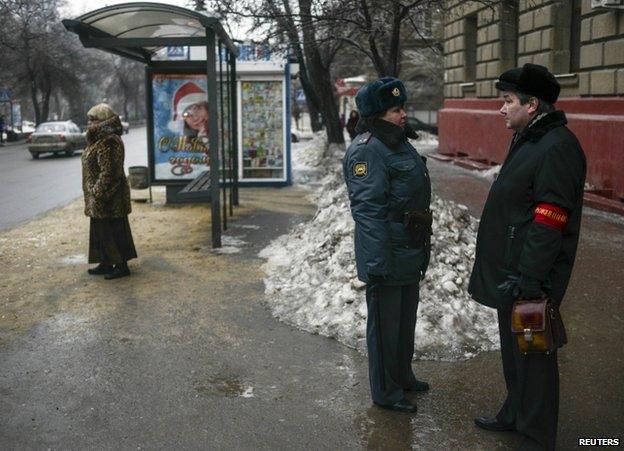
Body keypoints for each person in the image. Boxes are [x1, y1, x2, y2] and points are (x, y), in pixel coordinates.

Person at [468, 64, 586, 450]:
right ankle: (515, 413)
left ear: (532, 104)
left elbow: (550, 219)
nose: (501, 109)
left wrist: (531, 278)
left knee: (534, 355)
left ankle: (536, 434)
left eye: (508, 101)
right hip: (514, 271)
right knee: (515, 350)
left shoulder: (557, 147)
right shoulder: (530, 137)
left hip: (530, 275)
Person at [342, 77, 432, 413]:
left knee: (405, 322)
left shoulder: (397, 143)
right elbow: (368, 211)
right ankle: (386, 391)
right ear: (378, 114)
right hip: (388, 252)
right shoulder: (368, 150)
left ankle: (403, 376)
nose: (403, 114)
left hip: (409, 247)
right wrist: (377, 264)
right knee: (385, 327)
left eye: (403, 107)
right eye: (396, 110)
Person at [82, 103, 137, 280]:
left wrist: (98, 192)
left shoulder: (110, 140)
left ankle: (121, 266)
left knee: (115, 230)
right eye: (89, 119)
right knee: (101, 231)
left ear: (104, 121)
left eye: (93, 119)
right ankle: (106, 262)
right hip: (99, 196)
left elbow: (110, 172)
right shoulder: (97, 139)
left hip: (110, 197)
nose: (89, 123)